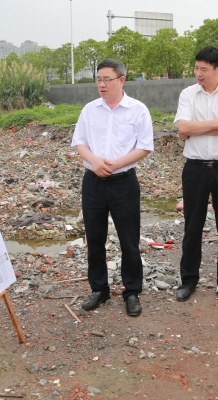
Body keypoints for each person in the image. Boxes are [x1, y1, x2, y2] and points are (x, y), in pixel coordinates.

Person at [71, 58, 153, 317]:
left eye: (107, 79)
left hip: (123, 182)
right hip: (93, 182)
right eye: (98, 80)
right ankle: (99, 289)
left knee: (129, 239)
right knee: (95, 238)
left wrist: (115, 164)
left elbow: (144, 146)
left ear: (121, 80)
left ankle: (132, 292)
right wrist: (95, 161)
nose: (102, 84)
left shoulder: (137, 110)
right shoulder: (90, 110)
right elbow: (79, 142)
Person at [173, 46, 218, 302]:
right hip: (195, 168)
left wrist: (196, 128)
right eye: (196, 68)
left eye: (204, 69)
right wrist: (216, 124)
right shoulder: (188, 93)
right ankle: (189, 280)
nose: (198, 73)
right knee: (192, 226)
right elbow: (183, 128)